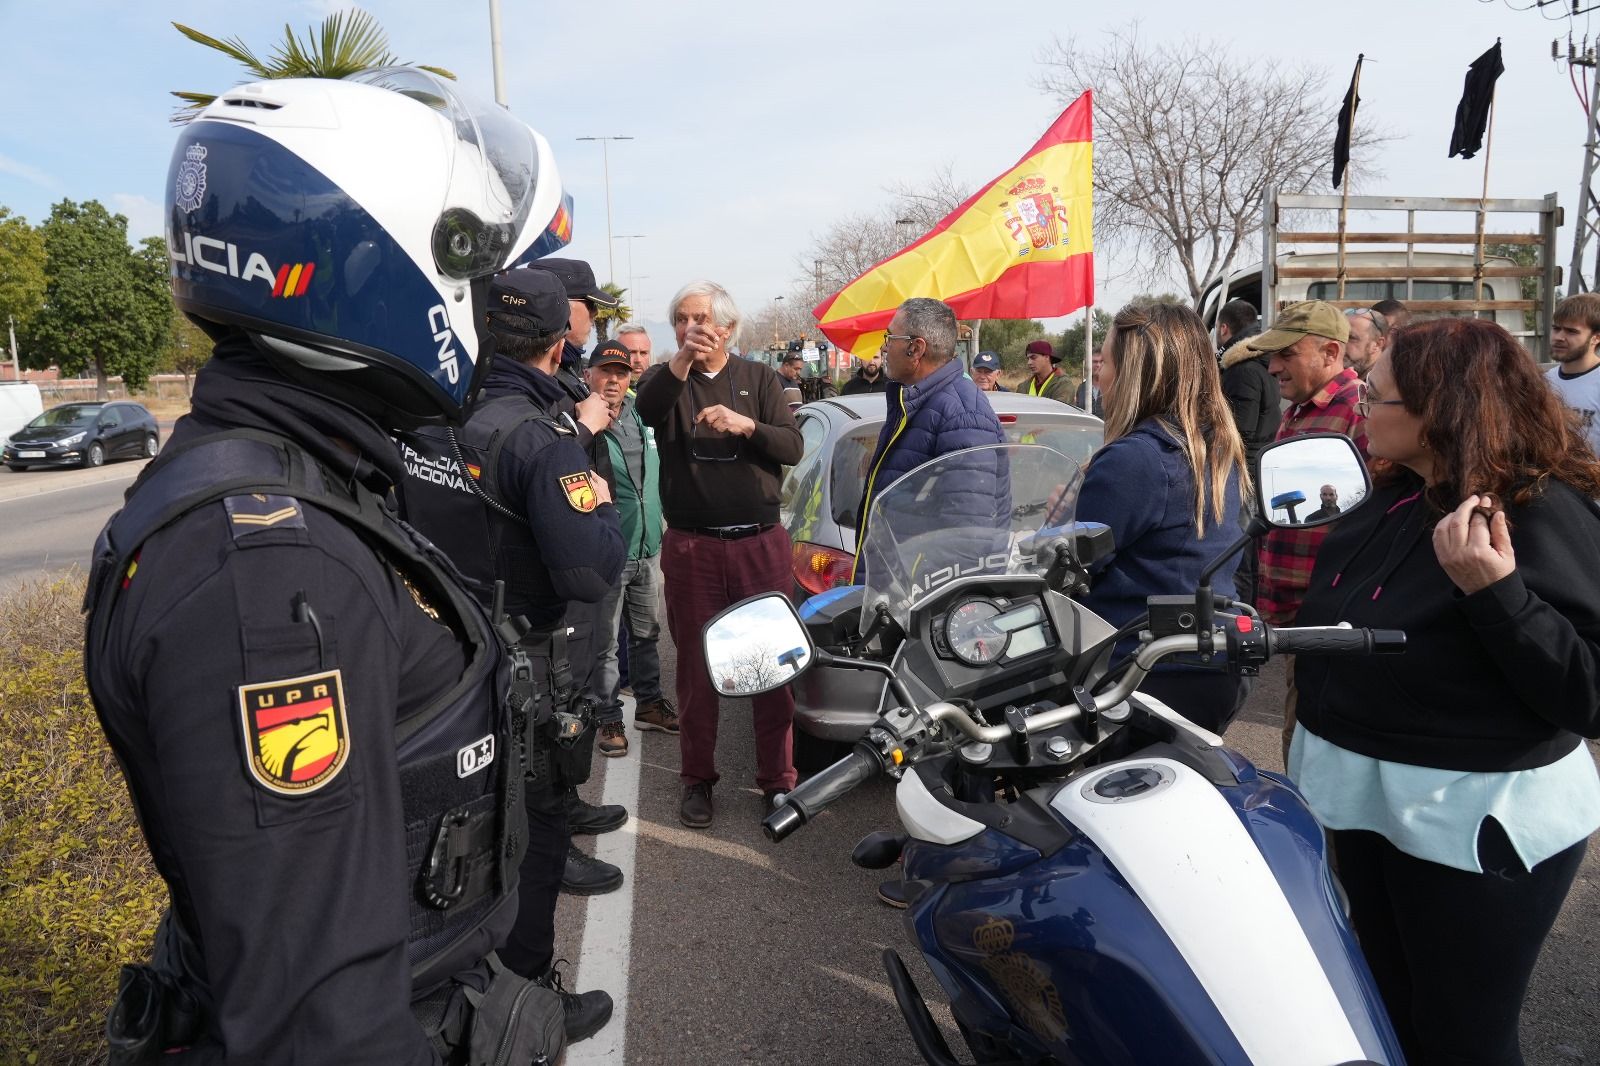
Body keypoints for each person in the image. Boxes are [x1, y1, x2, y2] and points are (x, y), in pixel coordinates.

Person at [85, 71, 572, 1061]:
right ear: (373, 268)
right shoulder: (270, 572)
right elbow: (320, 1024)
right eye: (470, 274)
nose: (486, 308)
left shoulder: (298, 476)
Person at [1289, 318, 1600, 1066]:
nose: (1361, 403)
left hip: (1474, 828)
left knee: (1464, 1038)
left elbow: (1589, 694)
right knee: (1392, 1011)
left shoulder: (1537, 511)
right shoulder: (1396, 495)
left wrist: (1499, 596)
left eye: (1378, 392)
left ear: (1441, 412)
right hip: (1372, 805)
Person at [399, 267, 627, 1040]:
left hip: (446, 655)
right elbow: (591, 569)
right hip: (528, 661)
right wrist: (593, 480)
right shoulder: (545, 437)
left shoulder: (430, 415)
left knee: (460, 824)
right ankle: (528, 1001)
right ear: (562, 337)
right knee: (534, 834)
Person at [634, 281, 803, 829]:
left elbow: (793, 447)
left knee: (771, 665)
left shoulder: (760, 378)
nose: (692, 328)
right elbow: (647, 406)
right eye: (682, 319)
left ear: (727, 327)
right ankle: (698, 780)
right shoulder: (669, 381)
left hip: (758, 542)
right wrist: (679, 361)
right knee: (696, 668)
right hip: (692, 546)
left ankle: (777, 782)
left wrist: (746, 424)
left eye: (702, 319)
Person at [853, 298, 1005, 909]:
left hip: (940, 604)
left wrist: (927, 597)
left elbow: (966, 529)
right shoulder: (920, 399)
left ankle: (944, 870)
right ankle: (929, 849)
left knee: (941, 733)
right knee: (926, 731)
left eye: (889, 339)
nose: (881, 348)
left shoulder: (958, 409)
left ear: (917, 349)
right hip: (915, 594)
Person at [1075, 302, 1250, 734]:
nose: (1099, 375)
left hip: (1142, 673)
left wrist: (1056, 522)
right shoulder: (1212, 446)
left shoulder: (1137, 459)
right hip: (1206, 664)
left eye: (1107, 362)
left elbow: (1073, 566)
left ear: (1135, 375)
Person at [1247, 300, 1367, 763]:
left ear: (1330, 352)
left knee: (1312, 750)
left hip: (1332, 617)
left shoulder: (1357, 413)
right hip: (1304, 615)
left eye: (1286, 354)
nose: (1273, 366)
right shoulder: (1299, 411)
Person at [585, 339, 679, 758]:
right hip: (607, 549)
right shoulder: (580, 421)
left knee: (647, 633)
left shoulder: (642, 414)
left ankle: (649, 704)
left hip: (646, 547)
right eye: (605, 371)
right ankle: (607, 717)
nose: (614, 380)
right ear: (589, 375)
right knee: (605, 642)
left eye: (621, 373)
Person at [540, 257, 618, 399]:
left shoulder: (566, 365)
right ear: (561, 304)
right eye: (590, 304)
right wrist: (587, 421)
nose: (596, 312)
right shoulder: (537, 376)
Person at [1545, 292, 1600, 456]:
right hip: (1550, 478)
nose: (1559, 337)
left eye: (1571, 331)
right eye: (1556, 329)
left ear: (1596, 338)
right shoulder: (1544, 381)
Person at [1343, 307, 1390, 378]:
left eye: (1351, 338)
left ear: (1377, 344)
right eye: (1341, 336)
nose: (1341, 343)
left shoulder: (1384, 383)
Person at [1025, 339, 1074, 403]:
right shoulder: (1023, 386)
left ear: (1047, 357)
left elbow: (1058, 409)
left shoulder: (1063, 384)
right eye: (1028, 359)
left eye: (1033, 357)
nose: (1029, 362)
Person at [1072, 347, 1105, 416]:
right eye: (1095, 362)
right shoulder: (1082, 388)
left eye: (1101, 361)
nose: (1098, 365)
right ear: (1088, 363)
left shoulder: (1114, 387)